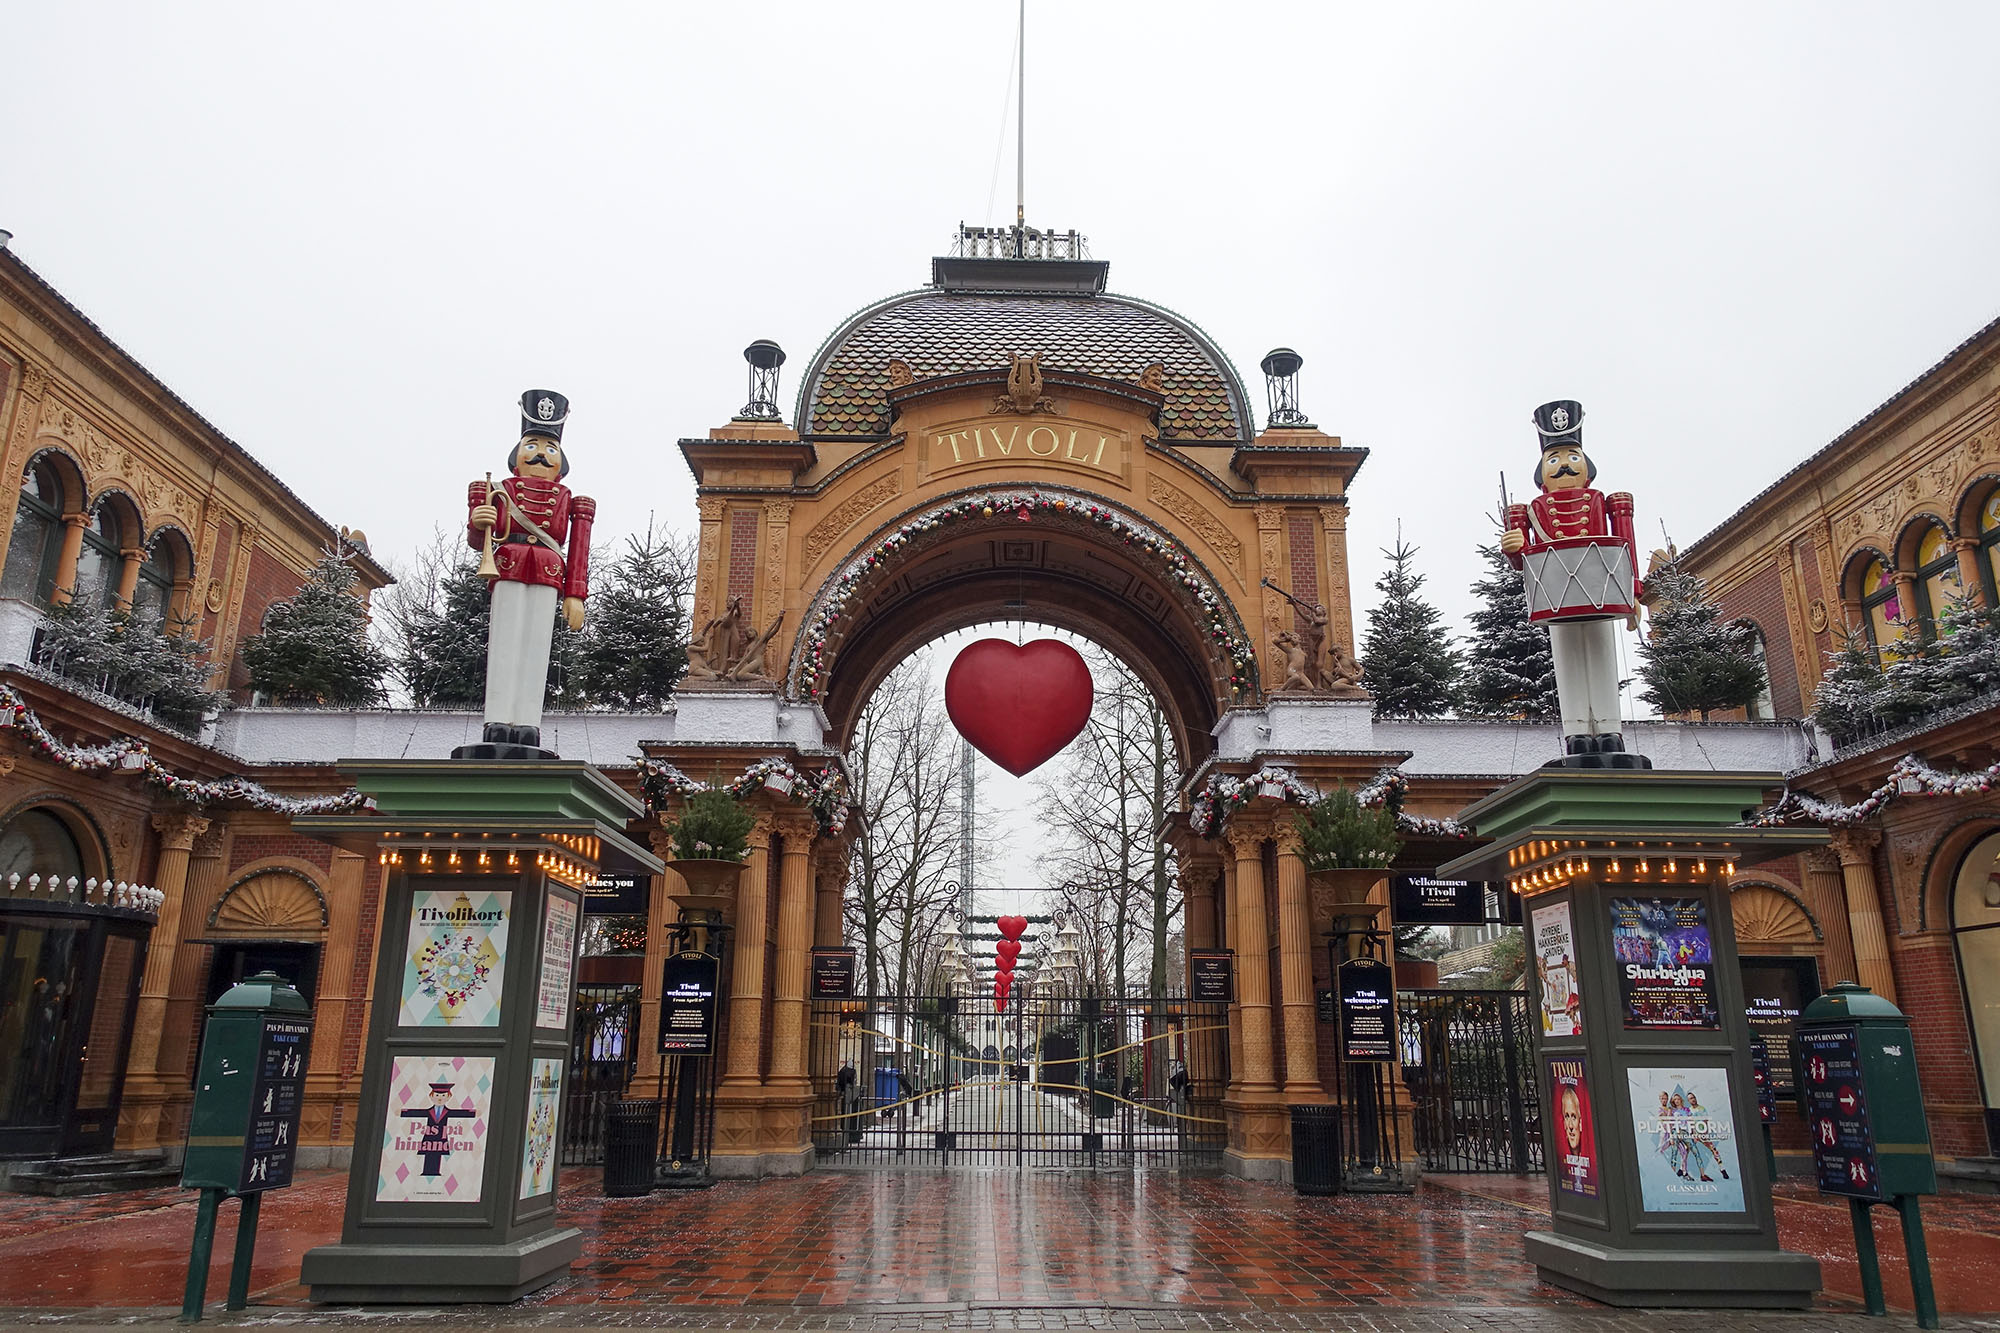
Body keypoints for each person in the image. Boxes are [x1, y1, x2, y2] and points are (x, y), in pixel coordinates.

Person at [1500, 400, 1643, 765]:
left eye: (1571, 455)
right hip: (1557, 596)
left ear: (1586, 464)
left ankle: (1610, 729)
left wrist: (1633, 593)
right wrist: (1514, 547)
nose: (1564, 464)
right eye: (1554, 458)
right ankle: (1577, 732)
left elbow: (1625, 546)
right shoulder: (1531, 508)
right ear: (1542, 469)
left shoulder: (1604, 500)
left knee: (1601, 656)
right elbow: (1524, 562)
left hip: (1600, 592)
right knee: (1567, 662)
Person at [459, 390, 596, 759]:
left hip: (549, 568)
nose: (540, 454)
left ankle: (527, 722)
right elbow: (479, 538)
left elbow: (579, 547)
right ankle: (497, 719)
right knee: (504, 641)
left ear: (561, 461)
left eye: (549, 448)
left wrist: (575, 594)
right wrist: (478, 520)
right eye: (532, 444)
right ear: (517, 456)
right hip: (508, 561)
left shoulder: (573, 500)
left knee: (537, 646)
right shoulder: (497, 490)